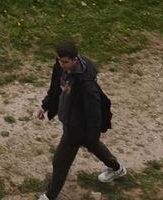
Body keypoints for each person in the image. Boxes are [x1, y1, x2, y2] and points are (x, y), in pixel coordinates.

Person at [35, 40, 125, 199]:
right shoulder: (61, 67)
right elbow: (55, 87)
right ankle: (117, 169)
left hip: (76, 127)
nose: (61, 64)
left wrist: (92, 135)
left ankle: (49, 196)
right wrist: (45, 105)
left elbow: (94, 115)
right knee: (93, 145)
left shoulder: (86, 84)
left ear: (75, 59)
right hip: (70, 120)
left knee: (60, 162)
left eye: (65, 62)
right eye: (59, 60)